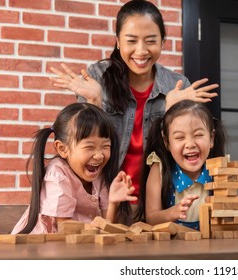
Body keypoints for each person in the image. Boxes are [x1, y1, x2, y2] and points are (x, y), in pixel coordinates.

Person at [49, 0, 219, 220]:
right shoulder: (98, 78)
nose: (141, 51)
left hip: (157, 206)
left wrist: (172, 110)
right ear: (118, 42)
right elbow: (89, 144)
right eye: (131, 41)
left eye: (150, 41)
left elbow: (180, 152)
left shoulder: (177, 86)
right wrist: (94, 100)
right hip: (108, 202)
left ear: (162, 42)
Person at [12, 103, 137, 234]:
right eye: (89, 147)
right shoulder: (58, 174)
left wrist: (113, 202)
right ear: (62, 149)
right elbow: (65, 228)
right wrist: (97, 229)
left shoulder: (100, 175)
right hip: (38, 248)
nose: (99, 155)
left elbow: (107, 227)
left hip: (74, 246)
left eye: (105, 146)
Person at [137, 99, 226, 230]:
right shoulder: (159, 168)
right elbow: (151, 218)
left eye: (198, 135)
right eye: (180, 137)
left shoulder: (221, 170)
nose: (190, 144)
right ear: (167, 142)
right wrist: (173, 212)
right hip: (171, 247)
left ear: (211, 138)